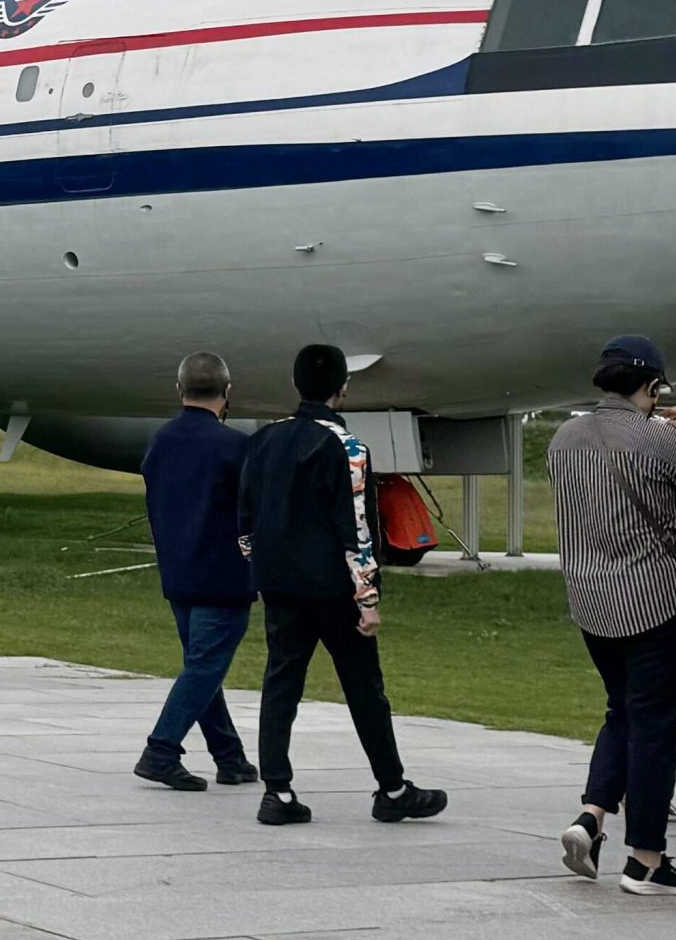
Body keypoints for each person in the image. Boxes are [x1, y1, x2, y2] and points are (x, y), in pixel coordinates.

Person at [237, 343, 447, 827]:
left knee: (281, 682)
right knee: (364, 688)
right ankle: (391, 787)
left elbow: (246, 522)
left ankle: (278, 790)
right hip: (333, 589)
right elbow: (357, 528)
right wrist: (367, 596)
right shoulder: (347, 447)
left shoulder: (263, 441)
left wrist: (260, 567)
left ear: (295, 385)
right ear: (342, 389)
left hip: (279, 584)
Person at [546, 334, 676, 894]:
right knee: (654, 728)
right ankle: (645, 857)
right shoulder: (655, 438)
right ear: (652, 385)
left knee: (620, 711)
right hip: (655, 599)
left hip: (590, 598)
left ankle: (592, 816)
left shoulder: (564, 437)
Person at [135, 352, 258, 790]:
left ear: (179, 390)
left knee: (201, 667)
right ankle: (161, 750)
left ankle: (230, 757)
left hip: (178, 573)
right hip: (223, 576)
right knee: (204, 669)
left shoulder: (160, 441)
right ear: (228, 392)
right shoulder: (236, 446)